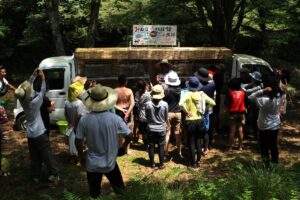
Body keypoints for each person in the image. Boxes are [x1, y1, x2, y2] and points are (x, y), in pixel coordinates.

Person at [75, 84, 130, 198]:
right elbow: (128, 134)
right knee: (121, 191)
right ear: (106, 101)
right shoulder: (115, 119)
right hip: (110, 163)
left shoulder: (84, 120)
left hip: (92, 164)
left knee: (94, 194)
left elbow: (78, 140)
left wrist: (81, 156)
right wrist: (124, 146)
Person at [14, 69, 59, 184]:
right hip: (40, 133)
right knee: (47, 155)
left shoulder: (23, 102)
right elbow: (43, 90)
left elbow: (25, 88)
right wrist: (43, 78)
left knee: (34, 156)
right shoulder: (34, 103)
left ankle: (36, 176)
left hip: (30, 134)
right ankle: (54, 174)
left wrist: (33, 76)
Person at [179, 77, 215, 168]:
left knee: (191, 141)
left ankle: (193, 162)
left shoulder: (187, 94)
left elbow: (180, 104)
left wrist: (187, 112)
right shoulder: (201, 94)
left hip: (190, 120)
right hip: (200, 120)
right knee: (198, 140)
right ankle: (198, 161)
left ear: (189, 85)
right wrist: (204, 110)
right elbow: (213, 103)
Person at [248, 75, 283, 167]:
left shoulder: (264, 100)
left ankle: (266, 165)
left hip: (263, 125)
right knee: (273, 146)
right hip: (275, 124)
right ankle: (275, 164)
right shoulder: (279, 96)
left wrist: (262, 90)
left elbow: (250, 97)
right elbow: (280, 90)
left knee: (264, 147)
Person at [65, 80, 88, 163]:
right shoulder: (79, 103)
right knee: (79, 141)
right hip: (77, 125)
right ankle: (78, 158)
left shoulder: (67, 102)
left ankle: (73, 157)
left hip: (71, 125)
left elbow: (65, 114)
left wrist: (70, 123)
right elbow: (79, 115)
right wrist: (75, 124)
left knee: (72, 141)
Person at [145, 84, 168, 169]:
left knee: (151, 146)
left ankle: (152, 164)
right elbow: (166, 117)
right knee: (161, 146)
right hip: (161, 128)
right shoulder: (165, 104)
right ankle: (161, 164)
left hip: (151, 128)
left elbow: (147, 117)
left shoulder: (148, 104)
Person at [195, 67, 216, 153]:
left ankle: (198, 147)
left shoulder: (197, 85)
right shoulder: (212, 85)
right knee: (207, 129)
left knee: (198, 129)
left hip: (197, 110)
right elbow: (214, 97)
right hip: (208, 109)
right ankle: (206, 147)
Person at [0, 65, 15, 177]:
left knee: (2, 121)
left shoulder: (3, 80)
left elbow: (8, 85)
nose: (5, 72)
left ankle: (1, 134)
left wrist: (16, 90)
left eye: (5, 71)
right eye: (3, 71)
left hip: (0, 103)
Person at [163, 71, 182, 158]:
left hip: (168, 112)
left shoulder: (166, 90)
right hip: (178, 112)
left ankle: (165, 151)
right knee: (177, 132)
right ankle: (179, 151)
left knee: (167, 133)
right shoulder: (179, 90)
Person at [114, 75, 134, 154]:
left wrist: (121, 109)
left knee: (119, 130)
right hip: (127, 110)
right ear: (126, 82)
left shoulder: (114, 90)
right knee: (127, 130)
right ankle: (127, 150)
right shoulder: (129, 90)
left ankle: (120, 148)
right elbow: (132, 104)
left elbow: (112, 104)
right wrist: (127, 112)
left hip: (118, 111)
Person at [225, 78, 246, 151]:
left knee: (232, 130)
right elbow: (246, 102)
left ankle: (230, 147)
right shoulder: (243, 93)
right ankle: (240, 146)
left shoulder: (230, 93)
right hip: (241, 113)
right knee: (240, 129)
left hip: (233, 113)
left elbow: (226, 103)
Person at [241, 71, 263, 138]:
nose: (251, 78)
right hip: (252, 104)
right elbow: (245, 85)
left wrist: (241, 87)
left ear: (255, 79)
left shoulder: (259, 86)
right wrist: (247, 84)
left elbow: (248, 91)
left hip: (257, 105)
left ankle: (257, 134)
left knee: (256, 118)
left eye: (252, 77)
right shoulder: (253, 83)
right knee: (252, 119)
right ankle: (255, 132)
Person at [137, 80, 152, 148]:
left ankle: (145, 145)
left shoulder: (137, 93)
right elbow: (155, 92)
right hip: (148, 115)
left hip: (141, 115)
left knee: (144, 132)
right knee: (149, 131)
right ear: (145, 86)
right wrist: (151, 86)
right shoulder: (148, 94)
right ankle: (149, 144)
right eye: (147, 85)